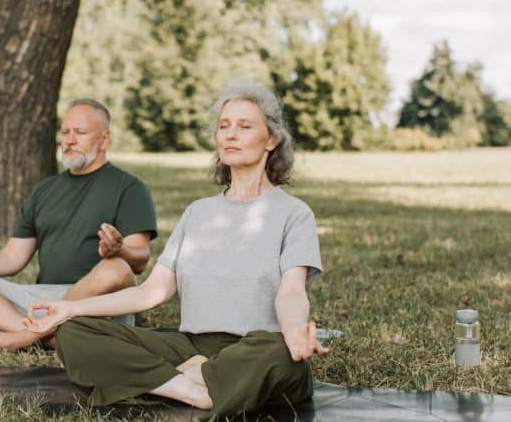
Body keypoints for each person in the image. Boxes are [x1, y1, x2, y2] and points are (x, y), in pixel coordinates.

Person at [24, 84, 327, 418]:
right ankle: (194, 391)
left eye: (244, 126)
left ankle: (163, 380)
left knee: (282, 357)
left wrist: (295, 330)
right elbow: (150, 293)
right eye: (224, 126)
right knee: (75, 332)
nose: (230, 134)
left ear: (271, 139)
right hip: (191, 348)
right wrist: (70, 309)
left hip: (254, 348)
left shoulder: (294, 213)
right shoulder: (197, 212)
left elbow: (291, 292)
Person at [0, 99, 157, 353]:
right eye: (65, 132)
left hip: (97, 302)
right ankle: (48, 338)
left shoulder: (129, 188)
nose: (69, 140)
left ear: (104, 139)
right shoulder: (44, 191)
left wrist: (120, 250)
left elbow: (138, 261)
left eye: (80, 133)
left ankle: (20, 339)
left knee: (116, 268)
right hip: (44, 301)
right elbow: (11, 259)